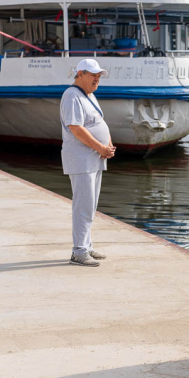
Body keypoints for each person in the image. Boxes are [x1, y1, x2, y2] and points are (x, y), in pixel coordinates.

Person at [60, 58, 116, 267]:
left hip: (94, 158)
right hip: (82, 159)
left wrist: (107, 145)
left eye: (99, 75)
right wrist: (100, 147)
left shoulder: (88, 95)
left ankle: (87, 245)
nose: (97, 78)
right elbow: (75, 127)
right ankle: (79, 251)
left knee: (90, 204)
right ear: (80, 74)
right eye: (93, 74)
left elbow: (98, 122)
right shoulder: (71, 95)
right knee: (83, 204)